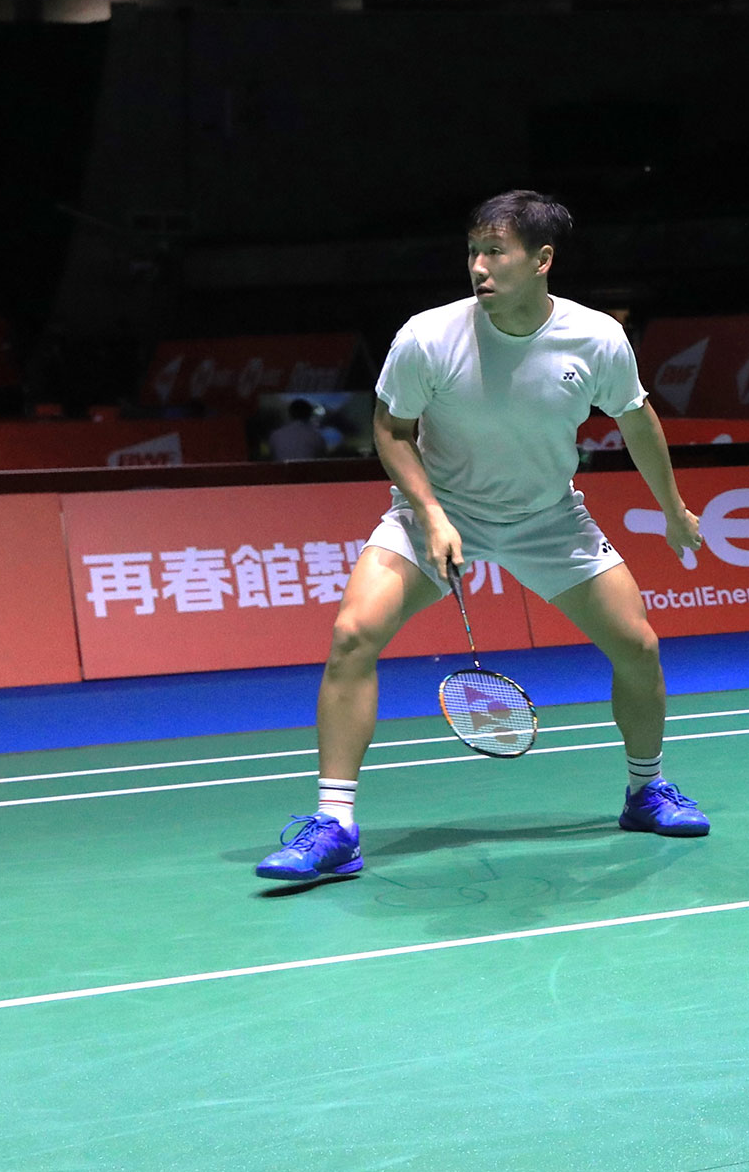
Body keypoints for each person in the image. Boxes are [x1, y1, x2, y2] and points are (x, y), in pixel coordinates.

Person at [257, 191, 713, 881]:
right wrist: (433, 515)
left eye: (495, 251)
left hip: (548, 518)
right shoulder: (427, 336)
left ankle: (645, 789)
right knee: (354, 633)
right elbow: (390, 429)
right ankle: (335, 825)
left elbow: (637, 421)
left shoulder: (596, 338)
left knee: (638, 645)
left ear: (543, 260)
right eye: (474, 251)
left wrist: (675, 511)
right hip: (438, 511)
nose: (479, 266)